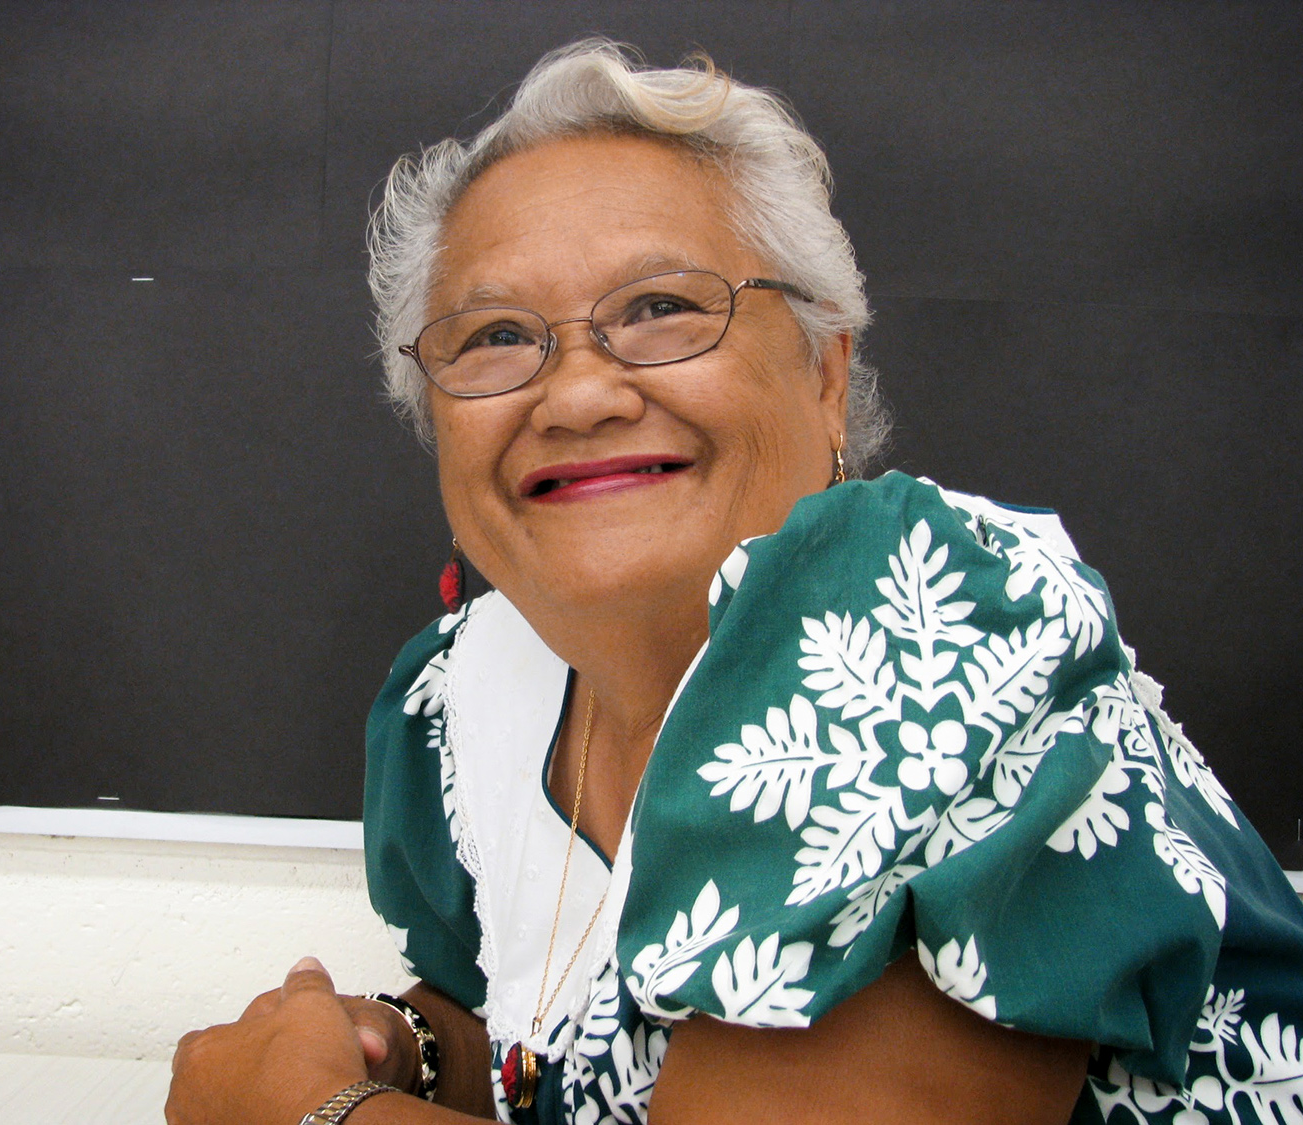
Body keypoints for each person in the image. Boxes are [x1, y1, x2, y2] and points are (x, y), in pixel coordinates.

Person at [167, 40, 1303, 1125]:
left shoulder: (915, 625)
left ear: (823, 368)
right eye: (498, 336)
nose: (576, 396)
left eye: (661, 308)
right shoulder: (464, 699)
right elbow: (548, 1052)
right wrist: (401, 1048)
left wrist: (302, 1111)